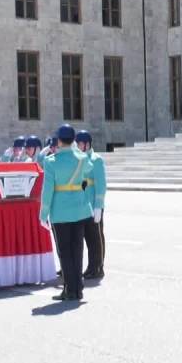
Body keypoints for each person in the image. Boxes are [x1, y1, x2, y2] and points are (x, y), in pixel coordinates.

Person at [39, 125, 94, 302]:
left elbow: (47, 190)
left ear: (59, 141)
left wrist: (43, 214)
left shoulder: (51, 161)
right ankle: (78, 288)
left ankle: (70, 290)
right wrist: (75, 150)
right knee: (77, 250)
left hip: (60, 212)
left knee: (65, 252)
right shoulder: (81, 158)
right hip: (80, 209)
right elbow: (88, 168)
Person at [75, 130, 106, 280]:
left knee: (95, 238)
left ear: (87, 144)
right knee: (87, 238)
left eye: (80, 144)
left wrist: (98, 206)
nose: (78, 146)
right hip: (82, 205)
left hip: (93, 205)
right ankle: (91, 267)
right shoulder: (78, 159)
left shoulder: (96, 160)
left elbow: (101, 185)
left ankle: (97, 267)